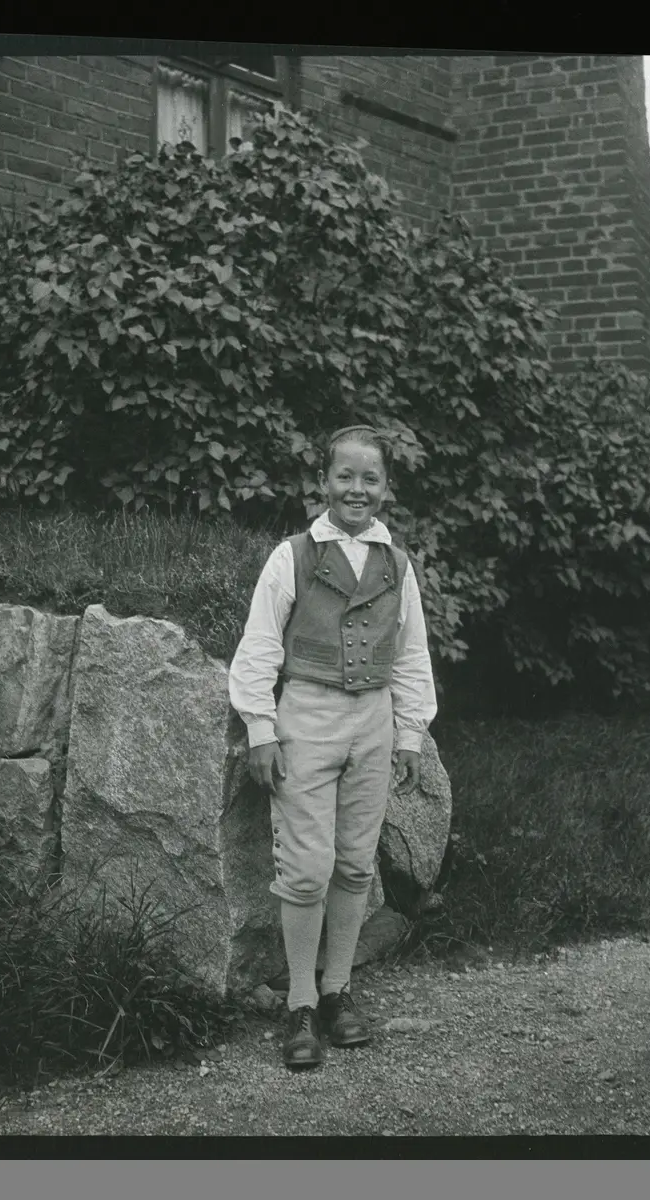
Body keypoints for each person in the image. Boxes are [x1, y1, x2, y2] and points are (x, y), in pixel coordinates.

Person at [228, 424, 437, 1069]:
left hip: (373, 721)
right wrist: (260, 728)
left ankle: (337, 990)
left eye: (370, 479)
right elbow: (260, 645)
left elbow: (411, 655)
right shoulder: (292, 556)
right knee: (306, 867)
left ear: (385, 488)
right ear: (323, 483)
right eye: (344, 476)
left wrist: (409, 734)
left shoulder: (397, 565)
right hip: (308, 716)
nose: (356, 489)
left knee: (354, 864)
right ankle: (299, 1004)